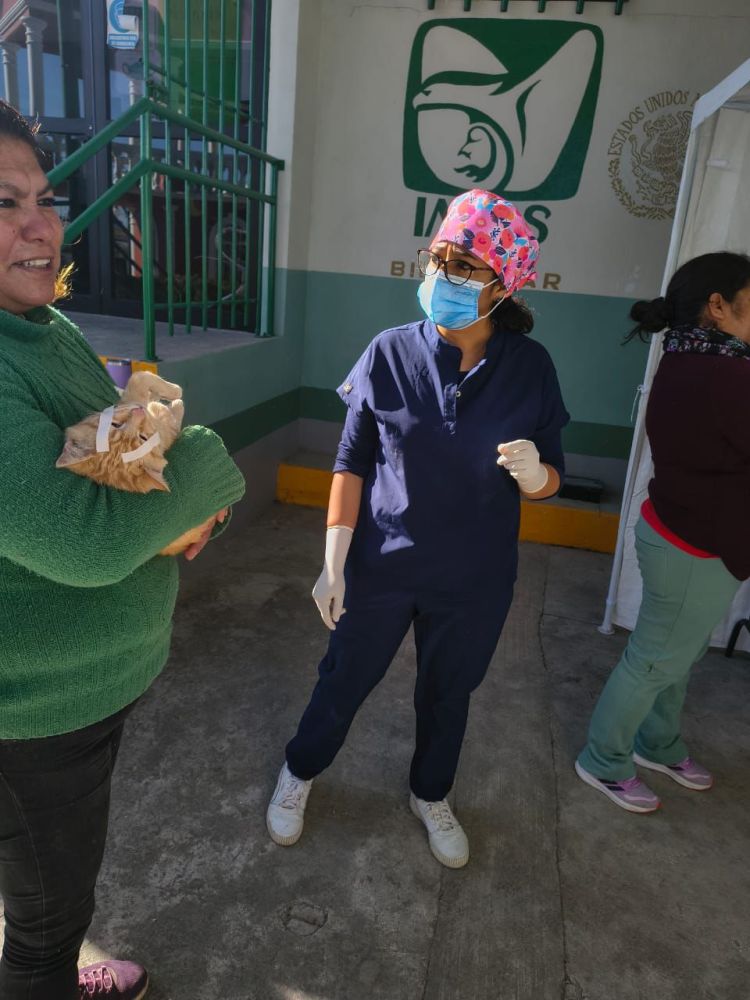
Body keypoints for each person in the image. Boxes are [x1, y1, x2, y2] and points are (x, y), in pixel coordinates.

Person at [0, 101, 245, 999]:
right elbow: (86, 539)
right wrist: (208, 465)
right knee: (43, 925)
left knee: (48, 891)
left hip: (78, 699)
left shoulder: (40, 323)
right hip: (29, 724)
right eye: (2, 202)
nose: (40, 225)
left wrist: (166, 494)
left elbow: (103, 454)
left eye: (44, 195)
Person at [266, 188, 569, 868]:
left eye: (465, 267)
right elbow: (352, 459)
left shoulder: (530, 367)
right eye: (438, 259)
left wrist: (535, 475)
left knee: (448, 692)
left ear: (504, 282)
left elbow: (555, 474)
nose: (442, 278)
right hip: (383, 564)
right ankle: (300, 771)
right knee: (343, 678)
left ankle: (430, 793)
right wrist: (334, 560)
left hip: (475, 578)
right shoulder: (388, 352)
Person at [576, 252, 750, 813]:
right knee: (656, 658)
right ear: (718, 306)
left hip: (681, 530)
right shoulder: (727, 374)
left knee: (678, 650)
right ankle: (604, 760)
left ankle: (659, 742)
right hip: (695, 542)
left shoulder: (687, 358)